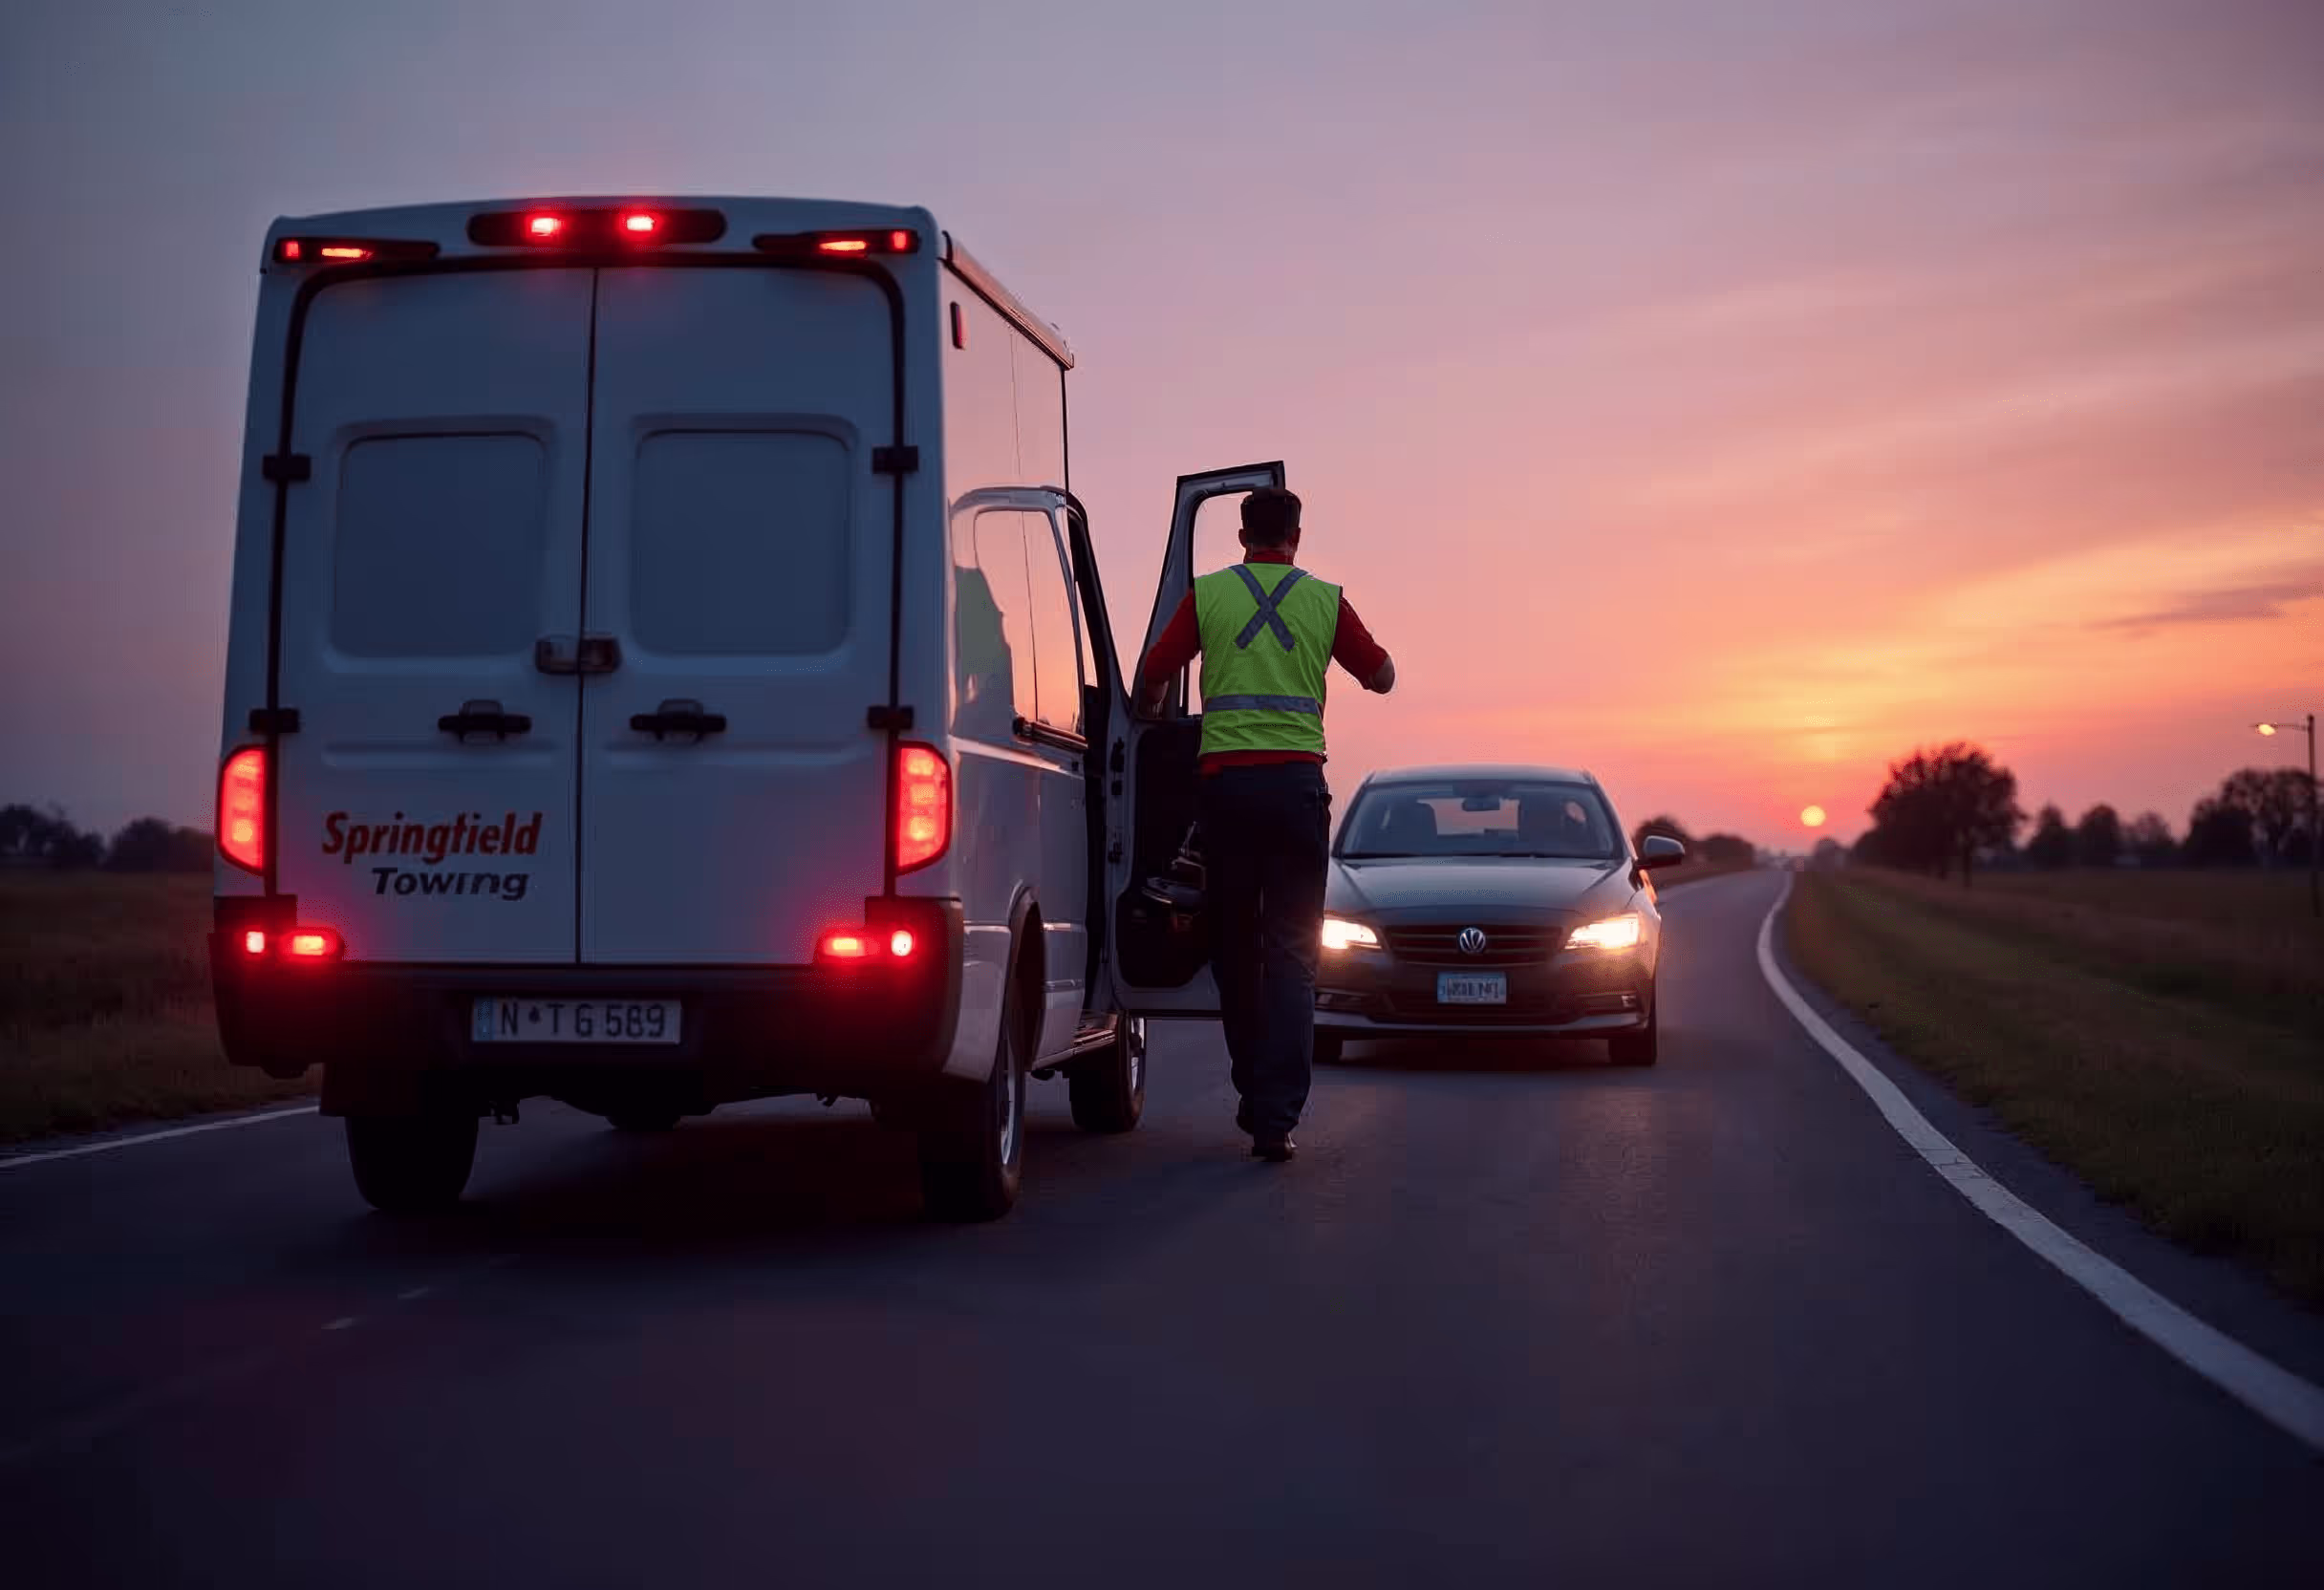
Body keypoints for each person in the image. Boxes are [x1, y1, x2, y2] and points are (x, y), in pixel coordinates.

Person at [1135, 487, 1395, 1161]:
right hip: (1297, 794)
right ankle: (1277, 1117)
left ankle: (1254, 1088)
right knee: (1292, 957)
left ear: (1243, 533)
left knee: (1234, 951)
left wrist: (1160, 703)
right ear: (1297, 537)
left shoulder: (1209, 595)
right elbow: (1383, 676)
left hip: (1227, 793)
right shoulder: (1325, 599)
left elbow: (1153, 674)